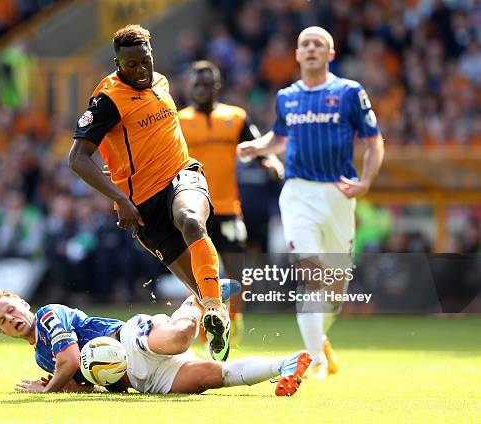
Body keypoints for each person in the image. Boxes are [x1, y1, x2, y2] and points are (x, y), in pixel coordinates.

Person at [68, 25, 229, 360]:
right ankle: (216, 315)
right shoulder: (106, 101)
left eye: (146, 61)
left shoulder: (162, 82)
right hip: (142, 206)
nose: (141, 71)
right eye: (131, 65)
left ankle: (215, 310)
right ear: (117, 63)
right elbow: (77, 158)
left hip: (182, 175)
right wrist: (120, 199)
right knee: (199, 285)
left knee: (190, 221)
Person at [238, 26, 384, 379]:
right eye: (305, 44)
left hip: (337, 194)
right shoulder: (287, 96)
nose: (312, 49)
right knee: (310, 275)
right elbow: (281, 137)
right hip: (298, 192)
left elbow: (374, 141)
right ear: (298, 54)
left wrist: (366, 181)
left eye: (319, 44)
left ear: (330, 54)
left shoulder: (349, 92)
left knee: (335, 288)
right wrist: (258, 147)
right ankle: (315, 359)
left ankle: (319, 339)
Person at [0, 289, 311, 396]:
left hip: (130, 340)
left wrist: (48, 390)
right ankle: (284, 365)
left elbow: (69, 360)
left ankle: (202, 297)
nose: (11, 318)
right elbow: (84, 383)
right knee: (214, 376)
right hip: (140, 380)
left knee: (182, 338)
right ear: (3, 332)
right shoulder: (41, 358)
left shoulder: (50, 315)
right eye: (3, 321)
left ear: (24, 304)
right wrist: (66, 386)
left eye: (11, 309)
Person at [178, 60, 282, 344]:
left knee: (236, 272)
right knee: (197, 272)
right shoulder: (179, 122)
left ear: (217, 86)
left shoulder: (235, 117)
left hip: (228, 209)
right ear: (190, 87)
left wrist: (270, 161)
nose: (201, 89)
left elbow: (257, 146)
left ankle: (233, 321)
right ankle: (202, 326)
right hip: (193, 210)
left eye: (206, 84)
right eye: (196, 84)